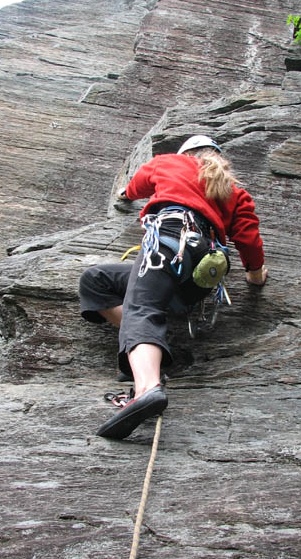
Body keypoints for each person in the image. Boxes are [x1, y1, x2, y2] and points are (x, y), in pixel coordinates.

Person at [79, 135, 268, 440]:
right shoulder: (234, 191)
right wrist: (256, 277)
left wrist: (124, 194)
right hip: (197, 278)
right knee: (96, 281)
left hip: (168, 243)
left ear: (186, 154)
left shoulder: (169, 163)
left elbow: (136, 186)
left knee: (142, 309)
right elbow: (248, 239)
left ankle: (147, 388)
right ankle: (151, 347)